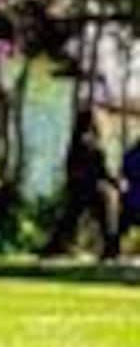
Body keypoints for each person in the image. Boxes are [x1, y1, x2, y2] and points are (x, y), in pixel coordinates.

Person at [41, 109, 121, 261]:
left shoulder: (76, 142)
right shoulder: (91, 143)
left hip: (80, 188)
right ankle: (110, 249)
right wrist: (116, 182)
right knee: (108, 212)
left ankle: (56, 247)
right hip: (91, 188)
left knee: (70, 218)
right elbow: (101, 169)